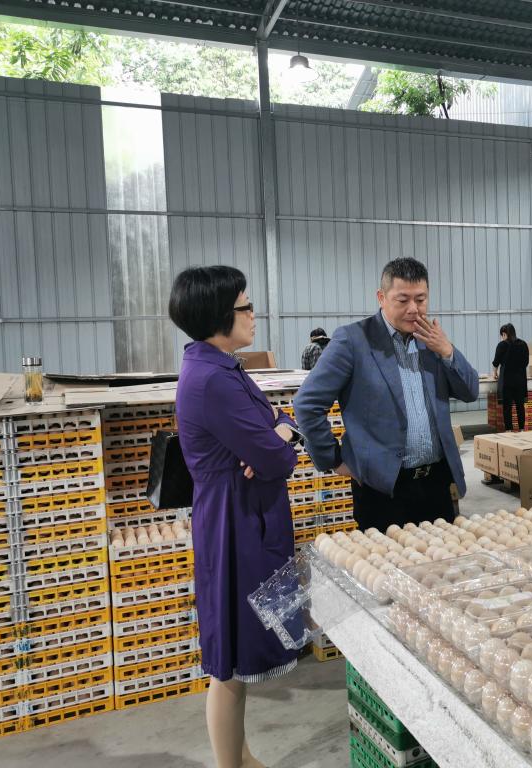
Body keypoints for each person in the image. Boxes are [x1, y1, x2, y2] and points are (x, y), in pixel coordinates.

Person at [169, 265, 302, 768]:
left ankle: (240, 755)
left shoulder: (223, 367)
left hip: (245, 513)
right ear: (218, 315)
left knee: (237, 661)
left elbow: (278, 424)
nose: (252, 315)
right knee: (228, 663)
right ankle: (231, 763)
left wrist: (280, 431)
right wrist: (278, 439)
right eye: (245, 306)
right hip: (234, 526)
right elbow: (277, 457)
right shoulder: (211, 381)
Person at [293, 258, 479, 532]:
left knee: (440, 556)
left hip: (436, 483)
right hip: (383, 489)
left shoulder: (431, 340)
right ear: (381, 297)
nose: (413, 309)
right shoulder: (352, 341)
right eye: (403, 300)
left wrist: (447, 351)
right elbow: (307, 404)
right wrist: (333, 459)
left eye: (421, 299)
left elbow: (470, 391)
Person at [492, 323, 530, 431]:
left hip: (507, 381)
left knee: (507, 407)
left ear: (504, 334)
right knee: (520, 406)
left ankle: (509, 430)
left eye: (502, 335)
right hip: (520, 380)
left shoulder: (502, 345)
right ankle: (522, 429)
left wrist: (495, 373)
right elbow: (526, 362)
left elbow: (496, 362)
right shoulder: (523, 344)